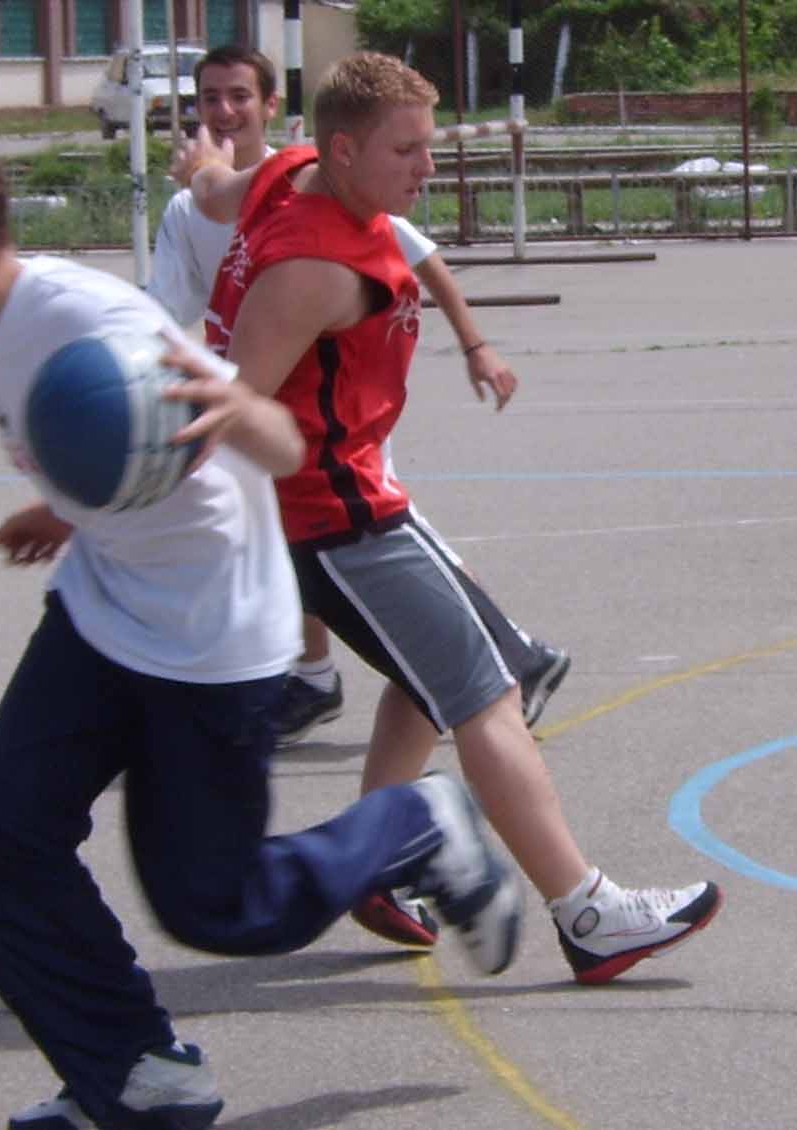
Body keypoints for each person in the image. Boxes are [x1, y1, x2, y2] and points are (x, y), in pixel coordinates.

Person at [0, 111, 522, 1130]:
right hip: (104, 610)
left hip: (213, 633)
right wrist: (66, 504)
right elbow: (121, 449)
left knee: (218, 905)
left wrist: (240, 409)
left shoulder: (85, 320)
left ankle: (413, 822)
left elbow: (277, 442)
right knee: (6, 843)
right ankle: (138, 1073)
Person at [178, 51, 722, 986]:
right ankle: (589, 912)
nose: (427, 167)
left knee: (431, 680)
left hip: (361, 496)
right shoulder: (312, 268)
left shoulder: (288, 170)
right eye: (408, 151)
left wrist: (200, 168)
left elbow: (218, 188)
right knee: (484, 693)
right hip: (336, 519)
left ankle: (377, 862)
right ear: (344, 151)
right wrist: (110, 512)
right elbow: (233, 407)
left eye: (429, 145)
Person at [147, 45, 568, 758]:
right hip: (302, 472)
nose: (223, 110)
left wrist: (476, 344)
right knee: (438, 656)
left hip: (336, 456)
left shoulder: (328, 188)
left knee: (426, 643)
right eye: (210, 98)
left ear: (270, 106)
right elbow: (201, 233)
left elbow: (420, 256)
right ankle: (474, 679)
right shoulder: (279, 206)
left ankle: (499, 664)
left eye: (238, 96)